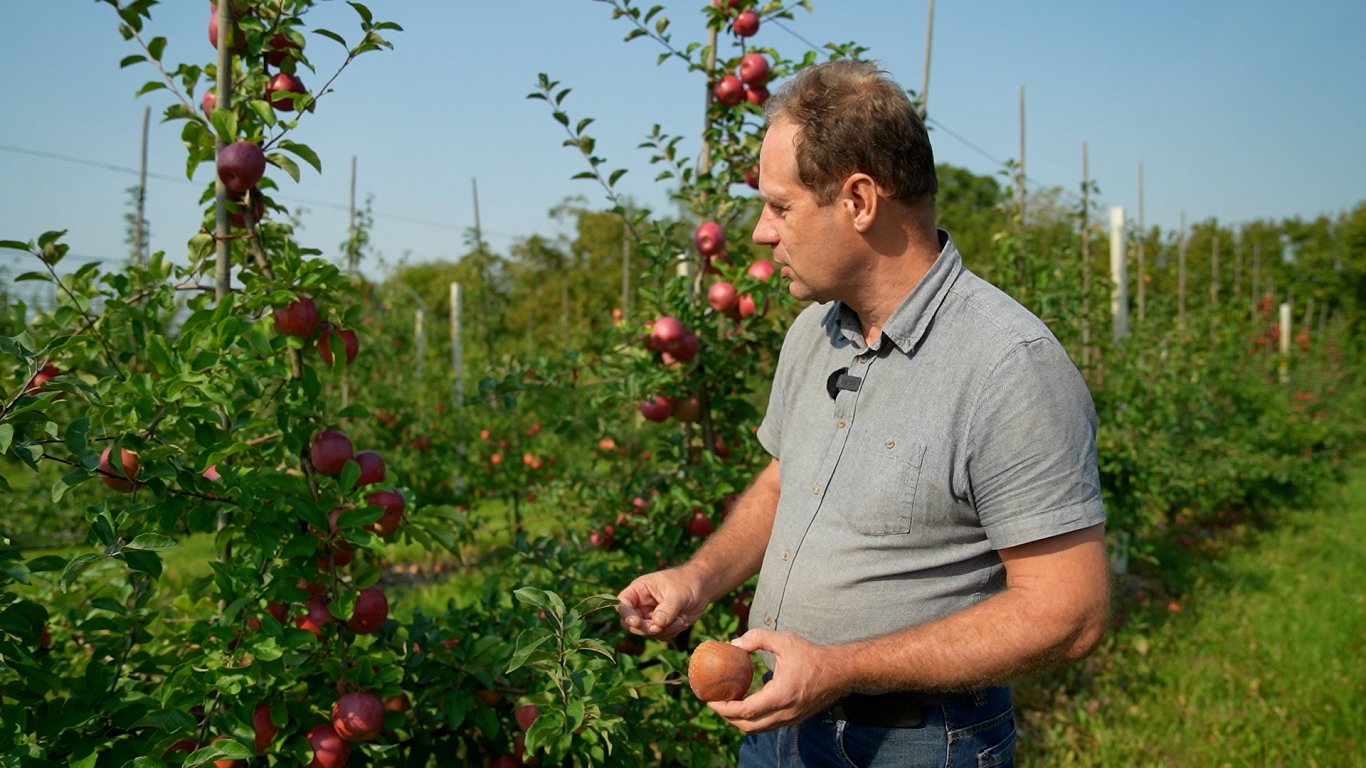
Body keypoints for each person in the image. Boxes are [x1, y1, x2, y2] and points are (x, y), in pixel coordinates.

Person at [617, 59, 1109, 768]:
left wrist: (842, 668)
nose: (759, 233)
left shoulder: (1008, 365)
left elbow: (1071, 613)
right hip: (778, 726)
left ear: (858, 200)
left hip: (913, 742)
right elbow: (788, 483)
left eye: (780, 207)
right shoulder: (813, 334)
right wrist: (699, 578)